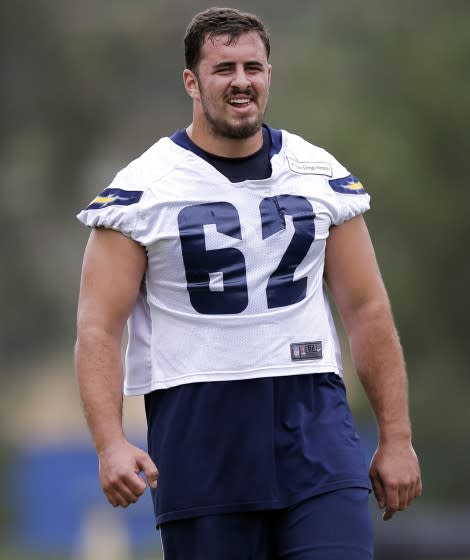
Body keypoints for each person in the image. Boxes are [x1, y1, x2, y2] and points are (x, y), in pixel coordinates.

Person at [75, 7, 422, 559]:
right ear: (192, 81)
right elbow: (98, 328)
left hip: (314, 421)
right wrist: (110, 442)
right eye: (224, 69)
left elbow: (366, 309)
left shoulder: (319, 172)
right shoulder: (142, 190)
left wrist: (396, 437)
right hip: (201, 430)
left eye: (253, 67)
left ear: (269, 74)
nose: (242, 82)